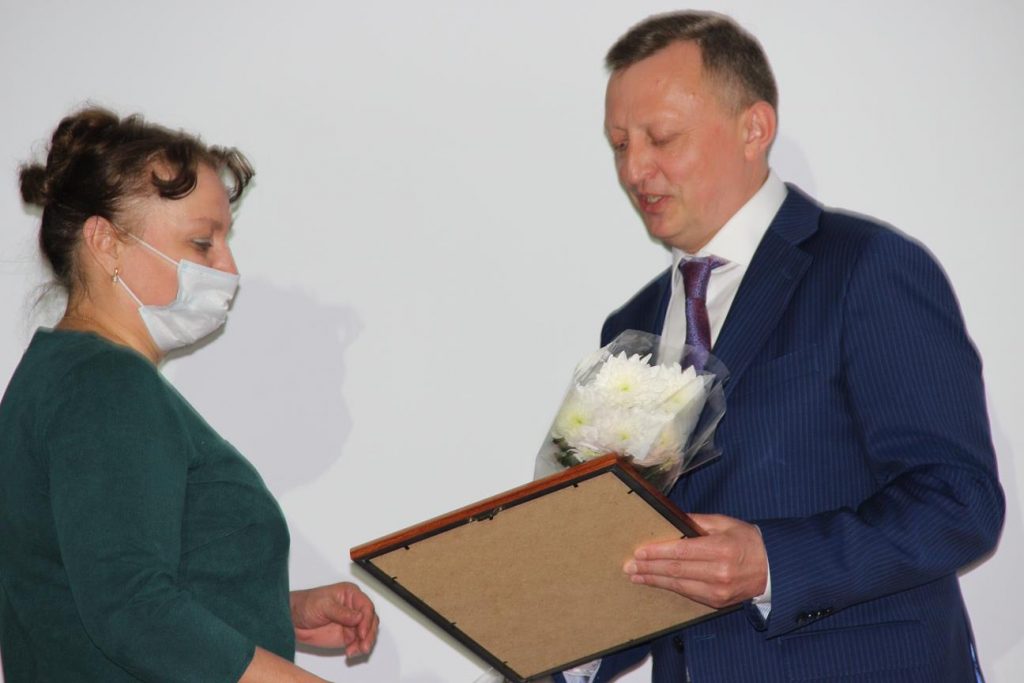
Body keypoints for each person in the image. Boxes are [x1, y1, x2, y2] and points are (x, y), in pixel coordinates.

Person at [559, 11, 1004, 683]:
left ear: (754, 128)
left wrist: (773, 562)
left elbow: (960, 501)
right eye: (619, 144)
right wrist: (553, 646)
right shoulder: (629, 326)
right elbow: (642, 559)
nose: (634, 168)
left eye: (661, 137)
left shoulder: (867, 267)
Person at [0, 107, 378, 682]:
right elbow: (133, 609)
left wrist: (277, 610)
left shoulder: (60, 378)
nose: (228, 267)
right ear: (106, 243)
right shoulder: (106, 386)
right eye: (203, 243)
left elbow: (86, 588)